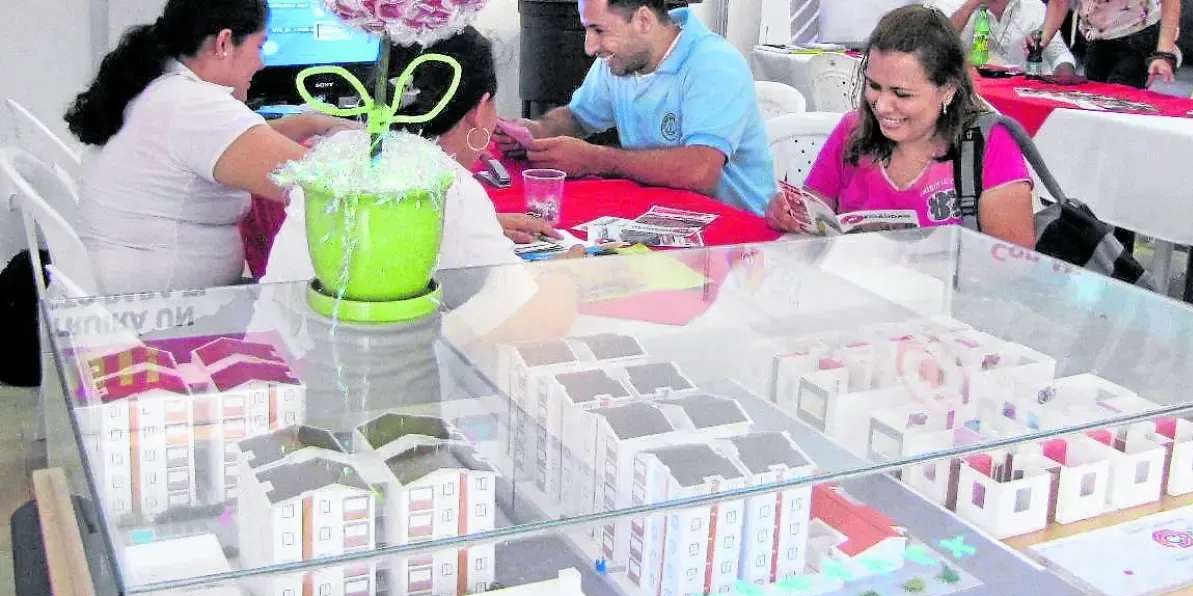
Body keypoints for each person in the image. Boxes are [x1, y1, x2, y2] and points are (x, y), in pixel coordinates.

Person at [262, 28, 583, 343]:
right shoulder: (445, 183)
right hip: (359, 368)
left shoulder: (337, 152)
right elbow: (535, 321)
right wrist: (572, 273)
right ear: (481, 109)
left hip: (279, 353)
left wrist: (481, 224)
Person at [65, 0, 356, 295]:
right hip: (165, 308)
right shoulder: (194, 106)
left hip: (134, 294)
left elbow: (241, 142)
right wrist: (354, 145)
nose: (261, 63)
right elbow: (326, 183)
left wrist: (311, 123)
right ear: (224, 42)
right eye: (259, 46)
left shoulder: (166, 90)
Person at [766, 6, 1037, 248]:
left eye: (901, 93)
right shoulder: (852, 130)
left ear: (948, 90)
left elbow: (1012, 268)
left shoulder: (988, 143)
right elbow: (814, 217)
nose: (882, 106)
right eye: (874, 86)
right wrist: (788, 214)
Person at [493, 0, 776, 216]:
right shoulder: (619, 61)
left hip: (741, 237)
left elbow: (700, 171)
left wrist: (595, 159)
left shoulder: (715, 64)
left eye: (598, 30)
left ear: (643, 20)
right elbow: (577, 117)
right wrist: (536, 131)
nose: (590, 47)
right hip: (665, 216)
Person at [1040, 0, 1181, 88]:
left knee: (1118, 103)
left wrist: (1164, 53)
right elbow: (1059, 3)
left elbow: (1171, 2)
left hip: (1138, 33)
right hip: (1096, 37)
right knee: (1093, 102)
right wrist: (1040, 44)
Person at [930, 0, 1077, 74]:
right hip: (969, 97)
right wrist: (971, 5)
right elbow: (935, 46)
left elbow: (1061, 57)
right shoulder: (950, 4)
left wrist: (1063, 79)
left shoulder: (1033, 6)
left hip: (1022, 101)